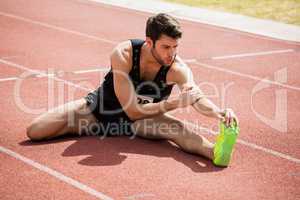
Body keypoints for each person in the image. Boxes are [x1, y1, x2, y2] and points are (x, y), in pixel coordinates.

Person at [26, 13, 239, 167]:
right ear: (149, 41)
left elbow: (195, 96)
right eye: (165, 47)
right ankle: (87, 127)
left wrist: (218, 113)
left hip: (140, 122)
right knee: (36, 130)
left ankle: (215, 152)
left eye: (175, 47)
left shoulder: (177, 68)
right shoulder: (124, 54)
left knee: (177, 129)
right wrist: (174, 103)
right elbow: (131, 110)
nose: (171, 54)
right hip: (100, 110)